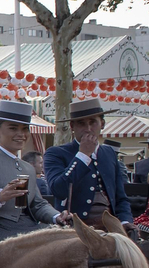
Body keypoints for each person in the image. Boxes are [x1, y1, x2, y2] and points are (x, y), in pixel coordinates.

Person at [0, 99, 68, 242]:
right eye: (13, 128)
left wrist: (56, 216)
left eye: (25, 128)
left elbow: (38, 204)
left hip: (31, 231)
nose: (21, 134)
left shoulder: (28, 168)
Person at [44, 98, 132, 230]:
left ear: (102, 124)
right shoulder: (56, 153)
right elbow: (58, 189)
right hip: (75, 227)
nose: (88, 129)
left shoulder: (108, 153)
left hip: (110, 225)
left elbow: (120, 197)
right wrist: (83, 155)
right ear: (72, 127)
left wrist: (125, 221)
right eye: (81, 124)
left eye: (93, 122)